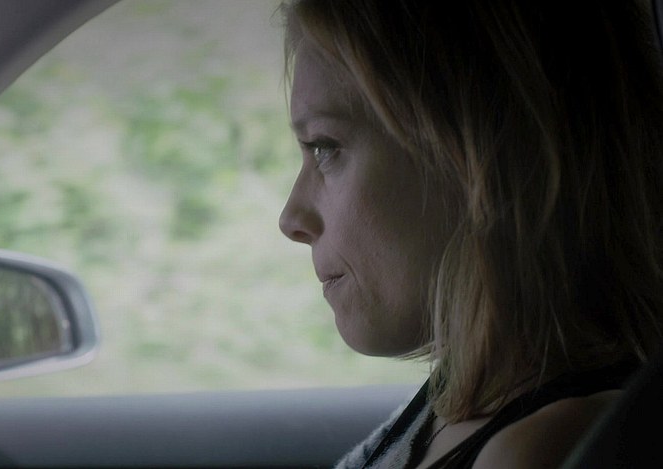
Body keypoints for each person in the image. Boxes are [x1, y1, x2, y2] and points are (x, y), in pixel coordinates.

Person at [277, 0, 663, 468]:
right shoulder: (449, 406)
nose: (291, 218)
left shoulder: (532, 451)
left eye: (325, 147)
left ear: (472, 155)